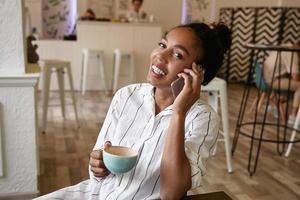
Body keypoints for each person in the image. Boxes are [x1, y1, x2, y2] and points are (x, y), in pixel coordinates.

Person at [34, 22, 231, 200]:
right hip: (97, 194)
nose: (160, 56)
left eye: (177, 54)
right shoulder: (126, 95)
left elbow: (171, 193)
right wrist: (98, 165)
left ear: (198, 73)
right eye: (163, 45)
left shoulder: (202, 118)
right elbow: (97, 167)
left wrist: (178, 112)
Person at [263, 41, 300, 123]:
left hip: (264, 77)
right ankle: (293, 117)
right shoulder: (292, 53)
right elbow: (296, 77)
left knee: (287, 76)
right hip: (272, 80)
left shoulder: (286, 45)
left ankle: (273, 104)